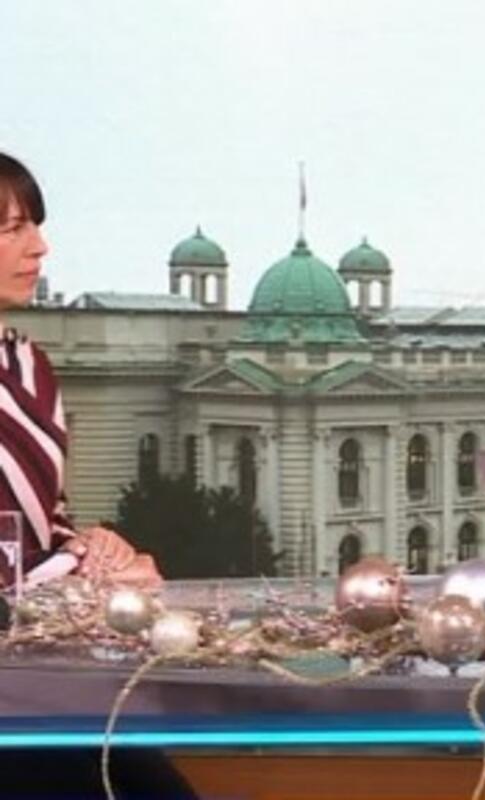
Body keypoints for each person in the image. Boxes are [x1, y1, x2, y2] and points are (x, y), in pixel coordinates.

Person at [0, 152, 195, 797]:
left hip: (38, 671)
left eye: (36, 225)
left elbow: (38, 518)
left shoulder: (29, 366)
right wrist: (76, 574)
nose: (40, 246)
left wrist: (92, 549)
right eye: (13, 229)